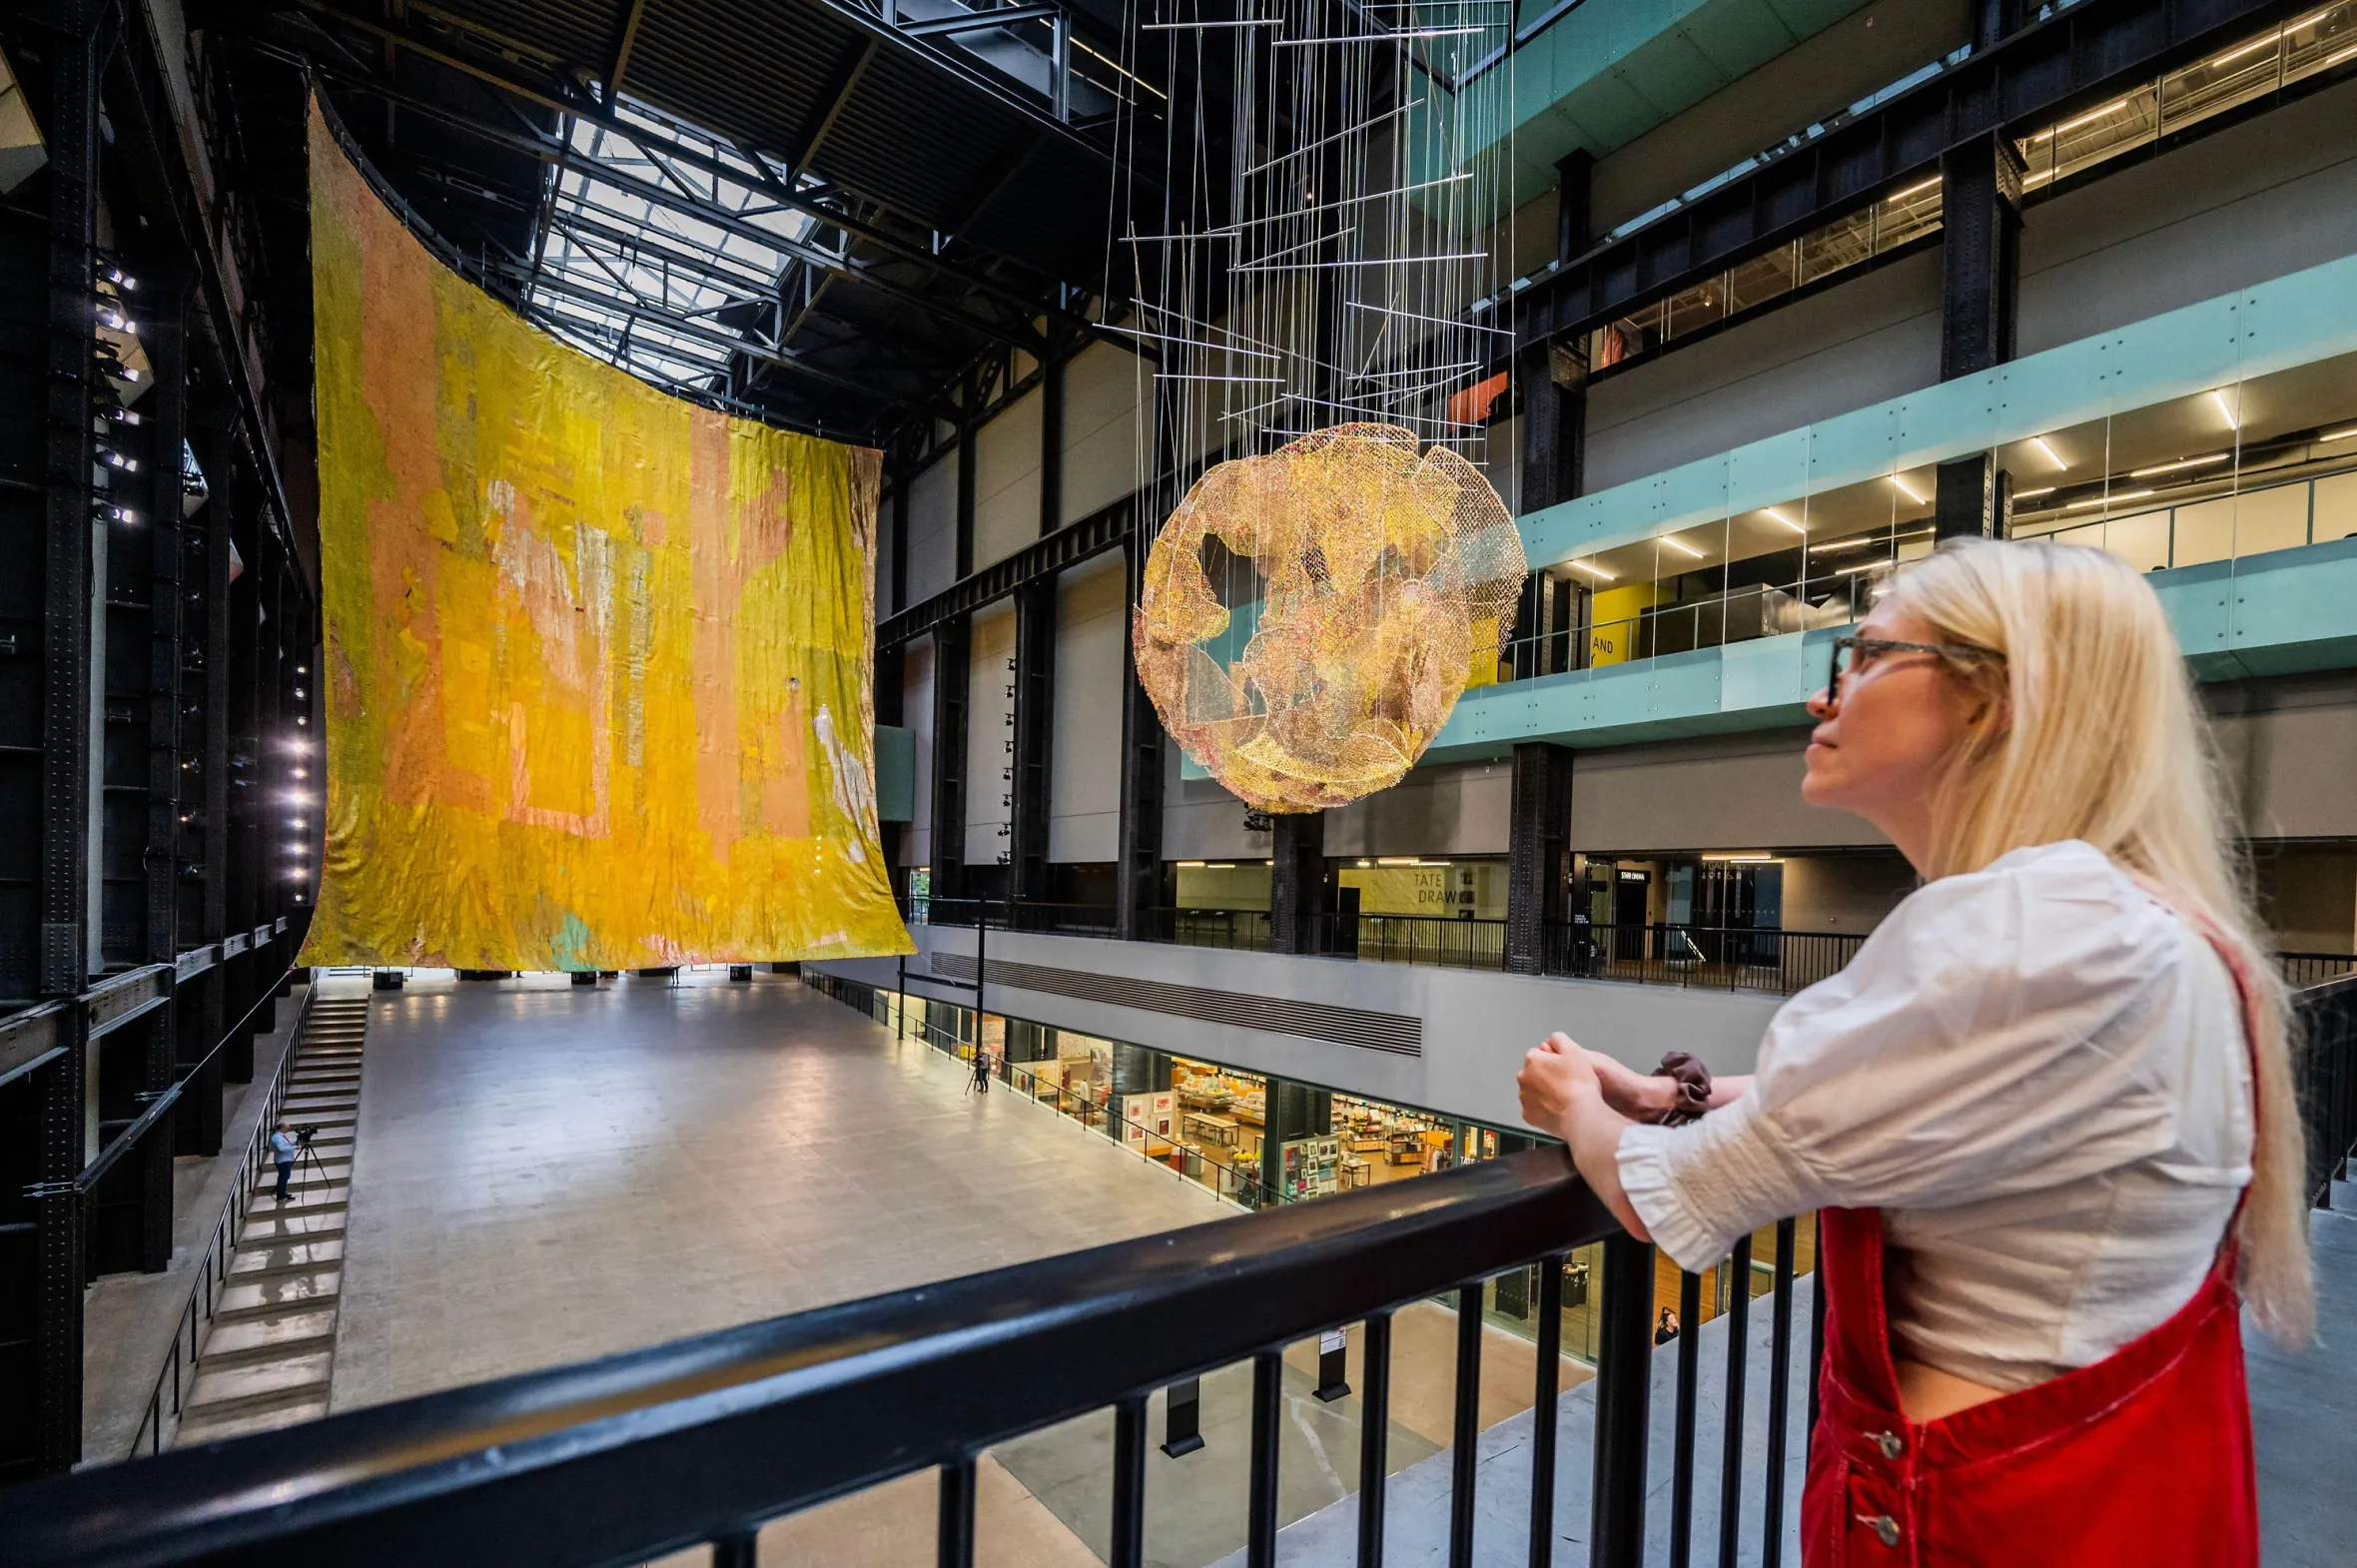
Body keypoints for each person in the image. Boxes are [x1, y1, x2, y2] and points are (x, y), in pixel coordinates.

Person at [1517, 539, 2310, 1566]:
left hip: (1970, 1524)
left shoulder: (2022, 927)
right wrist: (1685, 1092)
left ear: (1994, 697)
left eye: (1862, 655)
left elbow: (1660, 1195)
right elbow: (1946, 1098)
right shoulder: (2136, 931)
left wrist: (1578, 1096)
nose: (1823, 699)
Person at [270, 1119, 299, 1202]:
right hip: (283, 1161)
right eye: (287, 1127)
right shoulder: (277, 1137)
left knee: (284, 1177)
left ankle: (283, 1193)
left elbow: (287, 1145)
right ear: (281, 1127)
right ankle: (281, 1195)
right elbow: (281, 1149)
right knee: (283, 1177)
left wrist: (295, 1143)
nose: (288, 1128)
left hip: (285, 1160)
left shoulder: (281, 1136)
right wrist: (295, 1147)